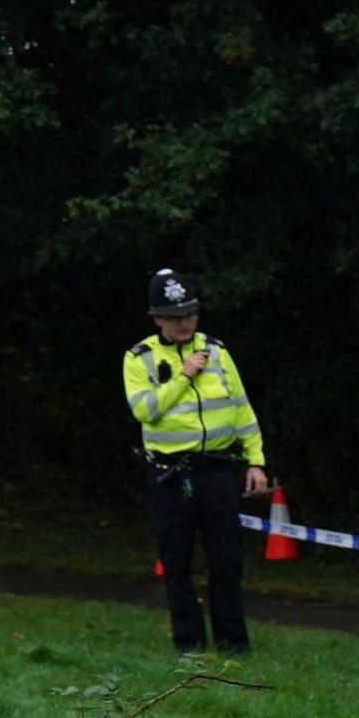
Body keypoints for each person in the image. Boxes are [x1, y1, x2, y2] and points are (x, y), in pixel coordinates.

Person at [122, 268, 271, 658]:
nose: (185, 322)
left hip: (218, 470)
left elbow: (242, 409)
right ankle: (188, 644)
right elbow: (145, 410)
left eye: (190, 313)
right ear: (157, 320)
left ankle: (233, 644)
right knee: (177, 562)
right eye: (174, 317)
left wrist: (255, 461)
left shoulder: (217, 352)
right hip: (171, 474)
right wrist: (183, 378)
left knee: (227, 560)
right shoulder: (139, 359)